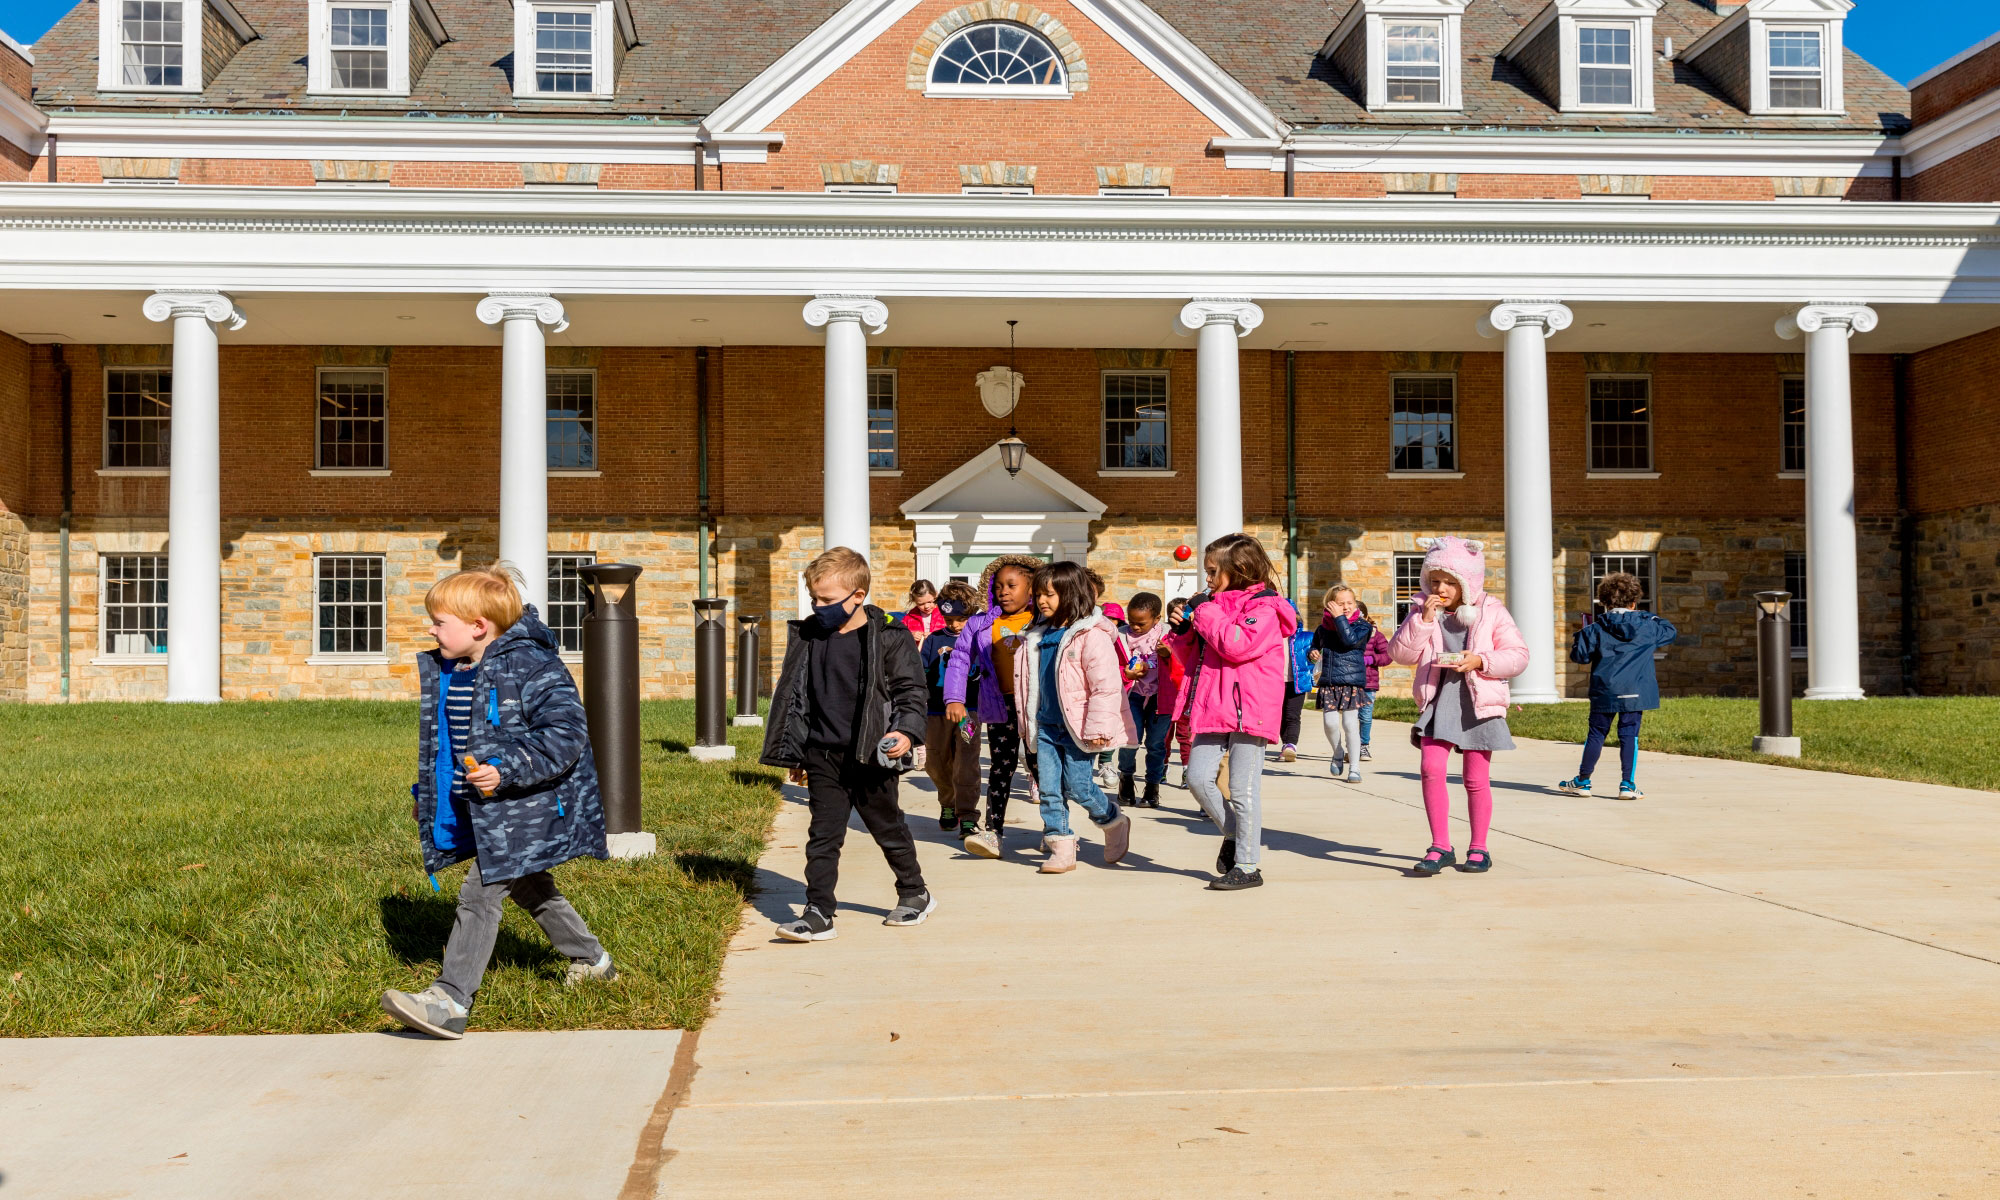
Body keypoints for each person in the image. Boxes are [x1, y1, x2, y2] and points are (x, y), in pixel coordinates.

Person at [381, 564, 613, 1041]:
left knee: (481, 892)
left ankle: (449, 999)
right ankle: (592, 960)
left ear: (478, 627)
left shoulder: (533, 666)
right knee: (530, 885)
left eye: (439, 621)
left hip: (528, 803)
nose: (430, 629)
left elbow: (566, 735)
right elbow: (445, 745)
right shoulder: (458, 670)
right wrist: (428, 797)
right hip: (485, 802)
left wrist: (507, 767)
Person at [759, 547, 935, 942]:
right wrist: (797, 751)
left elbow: (911, 691)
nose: (818, 608)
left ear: (858, 595)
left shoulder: (889, 636)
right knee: (823, 835)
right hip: (823, 753)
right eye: (814, 599)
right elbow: (797, 697)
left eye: (827, 600)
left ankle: (915, 892)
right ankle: (819, 911)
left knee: (886, 826)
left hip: (871, 753)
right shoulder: (810, 636)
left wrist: (906, 732)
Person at [1388, 536, 1529, 877]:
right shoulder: (1423, 611)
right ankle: (1440, 846)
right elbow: (1400, 654)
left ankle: (1479, 847)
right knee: (1430, 768)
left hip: (1478, 702)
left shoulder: (1492, 611)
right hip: (1440, 701)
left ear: (1468, 582)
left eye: (1450, 582)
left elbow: (1519, 655)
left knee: (1475, 779)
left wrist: (1481, 660)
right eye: (1435, 580)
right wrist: (1421, 620)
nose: (1441, 588)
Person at [1166, 533, 1297, 891]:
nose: (1206, 579)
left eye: (1212, 571)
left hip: (1249, 709)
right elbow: (1196, 654)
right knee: (1197, 777)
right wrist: (1182, 632)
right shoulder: (1215, 605)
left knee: (1243, 789)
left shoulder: (1265, 607)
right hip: (1213, 704)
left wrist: (1205, 612)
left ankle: (1248, 865)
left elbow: (1236, 645)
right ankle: (1238, 834)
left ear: (1237, 569)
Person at [1013, 562, 1137, 873]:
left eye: (1050, 594)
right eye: (1038, 595)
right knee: (1049, 790)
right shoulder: (1036, 635)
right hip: (1046, 726)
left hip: (1079, 727)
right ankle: (1061, 847)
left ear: (1071, 593)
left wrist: (1099, 727)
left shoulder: (1090, 636)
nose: (1042, 601)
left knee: (1079, 786)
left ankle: (1112, 820)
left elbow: (1105, 686)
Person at [943, 555, 1045, 859]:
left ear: (1032, 589)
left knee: (1043, 769)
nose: (1004, 591)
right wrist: (955, 698)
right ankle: (993, 832)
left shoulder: (1041, 620)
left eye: (1012, 585)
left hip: (1038, 710)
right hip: (999, 708)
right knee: (1001, 768)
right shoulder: (979, 623)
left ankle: (1056, 830)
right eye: (998, 586)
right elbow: (960, 659)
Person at [1557, 573, 1678, 801]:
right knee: (1629, 735)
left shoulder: (1594, 629)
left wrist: (1583, 632)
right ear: (1634, 602)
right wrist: (1645, 615)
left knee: (1596, 734)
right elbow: (1669, 630)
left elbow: (1580, 656)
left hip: (1605, 690)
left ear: (1604, 602)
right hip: (1636, 691)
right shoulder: (1647, 626)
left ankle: (1583, 780)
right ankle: (1627, 784)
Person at [921, 582, 982, 829]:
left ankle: (967, 815)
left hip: (969, 712)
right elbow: (921, 672)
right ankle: (948, 803)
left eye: (961, 618)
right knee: (935, 762)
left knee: (966, 763)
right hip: (935, 711)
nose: (954, 624)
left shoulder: (979, 639)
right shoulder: (933, 640)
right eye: (949, 618)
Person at [1310, 585, 1375, 784]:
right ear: (1330, 605)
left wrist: (1339, 618)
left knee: (1349, 724)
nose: (1345, 607)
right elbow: (1315, 644)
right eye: (1340, 603)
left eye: (1350, 603)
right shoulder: (1322, 628)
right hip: (1329, 680)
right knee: (1330, 723)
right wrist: (1312, 653)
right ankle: (1338, 751)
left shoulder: (1362, 626)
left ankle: (1354, 767)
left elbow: (1349, 641)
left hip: (1351, 681)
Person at [1117, 592, 1173, 808]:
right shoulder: (1120, 636)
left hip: (1161, 697)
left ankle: (1152, 787)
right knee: (1130, 740)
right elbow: (1110, 663)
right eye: (1131, 622)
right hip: (1133, 695)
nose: (1135, 627)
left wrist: (1168, 655)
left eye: (1141, 623)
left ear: (1157, 619)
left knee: (1156, 744)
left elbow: (1183, 662)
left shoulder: (1169, 635)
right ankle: (1126, 780)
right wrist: (1125, 673)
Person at [1160, 596, 1194, 789]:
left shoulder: (1192, 640)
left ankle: (1186, 770)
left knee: (1185, 736)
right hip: (1167, 695)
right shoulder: (1164, 640)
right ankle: (1162, 768)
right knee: (1163, 737)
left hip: (1186, 695)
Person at [1278, 600, 1317, 762]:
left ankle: (1291, 744)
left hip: (1297, 682)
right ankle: (1286, 743)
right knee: (1279, 715)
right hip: (1275, 682)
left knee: (1293, 715)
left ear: (1296, 617)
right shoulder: (1272, 637)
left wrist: (1313, 655)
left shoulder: (1307, 637)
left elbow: (1313, 653)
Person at [1356, 600, 1391, 762]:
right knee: (1349, 717)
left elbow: (1388, 655)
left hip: (1368, 683)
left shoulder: (1375, 635)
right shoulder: (1343, 632)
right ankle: (1351, 745)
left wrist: (1371, 659)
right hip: (1349, 682)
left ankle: (1364, 745)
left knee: (1365, 716)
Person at [900, 579, 943, 644]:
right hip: (918, 653)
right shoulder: (910, 618)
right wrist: (910, 635)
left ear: (935, 595)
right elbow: (899, 634)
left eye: (930, 602)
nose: (926, 606)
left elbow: (952, 634)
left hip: (939, 652)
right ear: (914, 601)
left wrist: (934, 636)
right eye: (921, 604)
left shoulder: (944, 615)